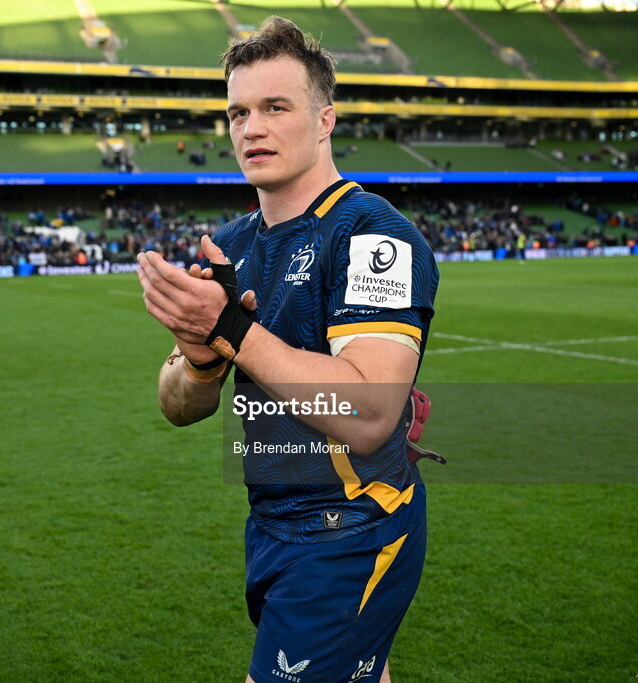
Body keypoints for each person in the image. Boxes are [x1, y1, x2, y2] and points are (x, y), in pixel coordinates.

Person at [136, 16, 438, 683]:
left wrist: (234, 332)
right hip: (273, 523)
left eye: (275, 107)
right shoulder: (232, 245)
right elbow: (177, 405)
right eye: (238, 112)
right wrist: (200, 356)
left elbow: (369, 412)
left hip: (354, 529)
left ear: (325, 119)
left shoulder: (371, 236)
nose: (251, 127)